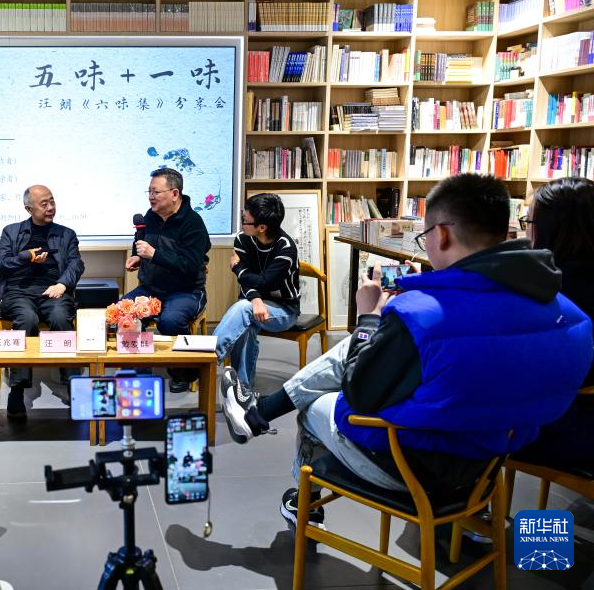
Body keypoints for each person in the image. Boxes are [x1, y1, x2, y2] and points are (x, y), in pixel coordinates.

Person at [220, 174, 592, 528]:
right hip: (490, 464)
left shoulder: (421, 316)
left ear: (442, 234)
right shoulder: (568, 314)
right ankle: (257, 416)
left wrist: (368, 318)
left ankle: (302, 502)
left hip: (412, 468)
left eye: (424, 235)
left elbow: (360, 394)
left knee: (315, 405)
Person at [512, 177, 594, 473]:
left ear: (552, 229)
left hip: (566, 429)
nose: (526, 231)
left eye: (529, 221)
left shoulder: (550, 292)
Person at [0, 185, 85, 418]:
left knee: (61, 317)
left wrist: (62, 284)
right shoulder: (11, 232)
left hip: (53, 290)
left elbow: (76, 263)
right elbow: (1, 263)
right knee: (27, 319)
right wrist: (27, 257)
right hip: (18, 292)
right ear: (28, 208)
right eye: (44, 204)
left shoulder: (66, 234)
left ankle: (74, 384)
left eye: (52, 202)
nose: (50, 207)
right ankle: (17, 389)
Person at [125, 168, 211, 393]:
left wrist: (154, 254)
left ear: (174, 193)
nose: (151, 197)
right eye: (149, 192)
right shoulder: (150, 216)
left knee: (170, 321)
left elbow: (190, 266)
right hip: (150, 288)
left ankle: (184, 373)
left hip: (186, 290)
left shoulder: (193, 223)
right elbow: (140, 240)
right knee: (124, 314)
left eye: (156, 192)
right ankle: (139, 372)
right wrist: (137, 256)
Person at [214, 193, 300, 389]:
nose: (241, 224)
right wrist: (255, 300)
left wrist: (237, 268)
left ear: (262, 227)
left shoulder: (286, 249)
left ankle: (210, 355)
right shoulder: (243, 239)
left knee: (243, 309)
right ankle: (243, 390)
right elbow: (248, 281)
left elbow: (264, 282)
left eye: (244, 220)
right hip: (252, 304)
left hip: (284, 310)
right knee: (246, 323)